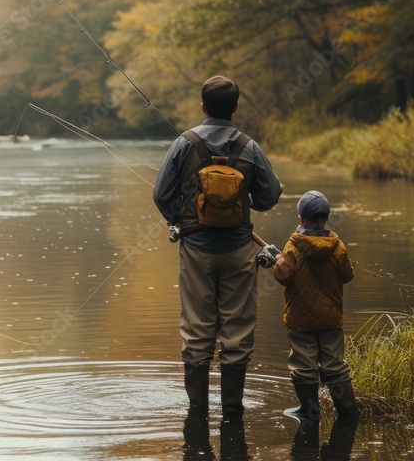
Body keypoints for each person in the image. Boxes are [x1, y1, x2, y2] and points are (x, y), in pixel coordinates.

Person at [153, 75, 282, 416]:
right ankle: (232, 411)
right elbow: (270, 196)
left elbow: (160, 195)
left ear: (203, 107)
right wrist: (244, 198)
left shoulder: (184, 143)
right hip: (241, 248)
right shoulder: (250, 147)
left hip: (195, 249)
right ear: (236, 107)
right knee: (236, 333)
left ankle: (197, 413)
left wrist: (178, 222)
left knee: (197, 331)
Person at [272, 190, 359, 421]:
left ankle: (309, 411)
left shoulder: (293, 247)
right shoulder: (338, 246)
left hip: (301, 320)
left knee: (303, 365)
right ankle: (349, 412)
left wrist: (278, 261)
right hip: (330, 319)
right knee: (335, 365)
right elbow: (347, 276)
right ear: (326, 217)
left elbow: (282, 277)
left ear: (301, 219)